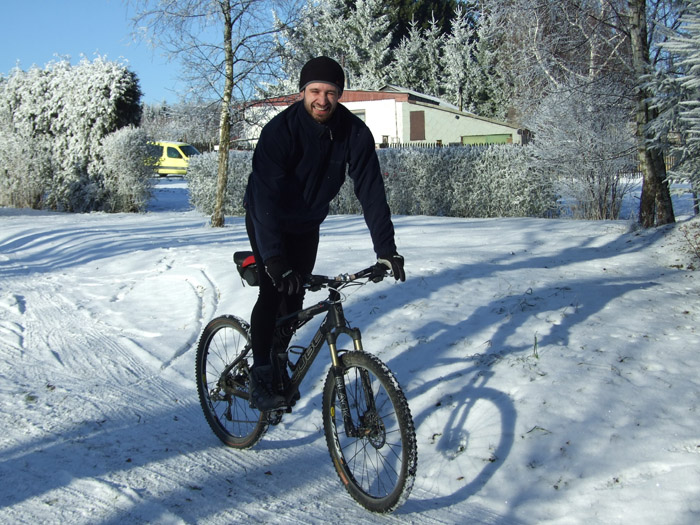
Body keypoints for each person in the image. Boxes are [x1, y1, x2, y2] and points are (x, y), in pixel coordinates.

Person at [243, 56, 405, 411]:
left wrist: (386, 249)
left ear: (340, 95)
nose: (322, 99)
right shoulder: (279, 132)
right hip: (266, 218)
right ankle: (262, 373)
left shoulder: (353, 133)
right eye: (315, 91)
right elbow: (264, 195)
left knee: (296, 297)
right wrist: (272, 257)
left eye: (331, 92)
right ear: (303, 92)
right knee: (273, 293)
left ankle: (279, 351)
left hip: (306, 223)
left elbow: (371, 191)